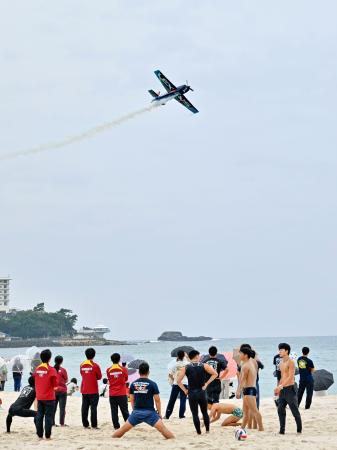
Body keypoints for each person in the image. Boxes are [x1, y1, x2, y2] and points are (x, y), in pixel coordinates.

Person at [112, 362, 174, 439]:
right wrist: (159, 413)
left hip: (137, 412)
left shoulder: (133, 384)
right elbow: (157, 400)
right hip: (150, 413)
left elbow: (132, 399)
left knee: (121, 431)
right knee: (165, 431)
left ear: (138, 372)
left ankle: (111, 439)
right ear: (148, 372)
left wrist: (134, 410)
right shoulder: (152, 384)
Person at [177, 350, 217, 435]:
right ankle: (207, 430)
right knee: (204, 412)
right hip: (202, 392)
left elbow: (178, 381)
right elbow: (215, 374)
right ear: (196, 356)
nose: (199, 357)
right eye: (199, 356)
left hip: (192, 393)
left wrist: (185, 390)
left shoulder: (186, 367)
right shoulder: (204, 365)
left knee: (195, 414)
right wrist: (206, 384)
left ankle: (198, 432)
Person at [274, 343, 302, 435]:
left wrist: (281, 386)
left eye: (281, 350)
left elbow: (290, 377)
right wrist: (278, 387)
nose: (279, 352)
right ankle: (282, 430)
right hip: (282, 390)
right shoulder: (281, 363)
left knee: (294, 410)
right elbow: (282, 377)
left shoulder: (291, 362)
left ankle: (299, 430)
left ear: (286, 351)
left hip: (290, 389)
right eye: (279, 350)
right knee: (280, 409)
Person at [236, 346, 264, 431]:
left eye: (240, 353)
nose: (239, 355)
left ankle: (261, 428)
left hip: (249, 390)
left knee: (255, 411)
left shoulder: (245, 366)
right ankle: (242, 428)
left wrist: (238, 391)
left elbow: (242, 380)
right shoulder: (252, 362)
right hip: (251, 389)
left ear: (245, 355)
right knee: (246, 412)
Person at [33, 348, 58, 440]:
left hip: (40, 396)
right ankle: (47, 435)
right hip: (49, 397)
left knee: (39, 415)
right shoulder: (51, 370)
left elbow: (35, 378)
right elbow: (55, 386)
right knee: (48, 417)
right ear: (50, 358)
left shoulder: (37, 369)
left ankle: (39, 435)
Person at [80, 347, 102, 429]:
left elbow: (82, 374)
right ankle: (94, 425)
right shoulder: (95, 366)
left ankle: (85, 424)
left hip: (84, 389)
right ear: (94, 355)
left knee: (84, 407)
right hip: (93, 390)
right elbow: (99, 377)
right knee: (93, 408)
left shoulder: (81, 365)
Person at [107, 353, 129, 429]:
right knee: (125, 410)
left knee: (114, 411)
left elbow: (110, 379)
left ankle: (116, 426)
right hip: (121, 393)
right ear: (119, 360)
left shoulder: (108, 370)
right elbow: (126, 379)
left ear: (111, 360)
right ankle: (127, 424)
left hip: (112, 393)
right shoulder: (124, 369)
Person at [165, 350, 188, 419]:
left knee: (172, 400)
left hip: (176, 383)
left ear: (177, 356)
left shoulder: (175, 364)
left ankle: (167, 415)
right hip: (185, 383)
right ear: (184, 356)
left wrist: (174, 379)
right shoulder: (187, 364)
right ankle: (181, 415)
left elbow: (170, 375)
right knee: (183, 400)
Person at [53, 355, 68, 426]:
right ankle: (62, 423)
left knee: (53, 408)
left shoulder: (51, 369)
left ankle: (52, 423)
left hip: (54, 391)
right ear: (61, 361)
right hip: (62, 391)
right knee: (62, 408)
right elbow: (66, 380)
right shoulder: (63, 370)